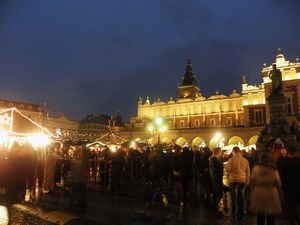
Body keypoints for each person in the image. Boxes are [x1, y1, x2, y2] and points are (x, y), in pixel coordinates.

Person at [250, 152, 282, 225]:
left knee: (260, 215)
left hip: (258, 192)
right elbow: (278, 183)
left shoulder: (256, 168)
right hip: (271, 192)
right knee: (271, 215)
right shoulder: (273, 169)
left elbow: (252, 181)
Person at [225, 146, 250, 221]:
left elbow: (227, 170)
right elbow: (248, 172)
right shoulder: (245, 160)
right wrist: (247, 180)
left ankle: (234, 216)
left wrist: (226, 167)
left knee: (234, 199)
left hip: (234, 181)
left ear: (233, 151)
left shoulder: (231, 159)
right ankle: (242, 215)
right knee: (242, 198)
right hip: (242, 181)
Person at [280, 143, 300, 225]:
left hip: (290, 190)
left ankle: (293, 221)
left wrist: (284, 188)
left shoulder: (286, 164)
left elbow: (284, 178)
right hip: (298, 188)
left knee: (291, 207)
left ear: (288, 152)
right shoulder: (298, 162)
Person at [209, 147, 224, 215]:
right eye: (221, 151)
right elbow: (217, 168)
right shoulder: (214, 159)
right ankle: (214, 208)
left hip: (215, 177)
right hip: (216, 178)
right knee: (218, 193)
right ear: (218, 152)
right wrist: (223, 166)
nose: (221, 153)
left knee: (216, 193)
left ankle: (214, 207)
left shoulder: (213, 158)